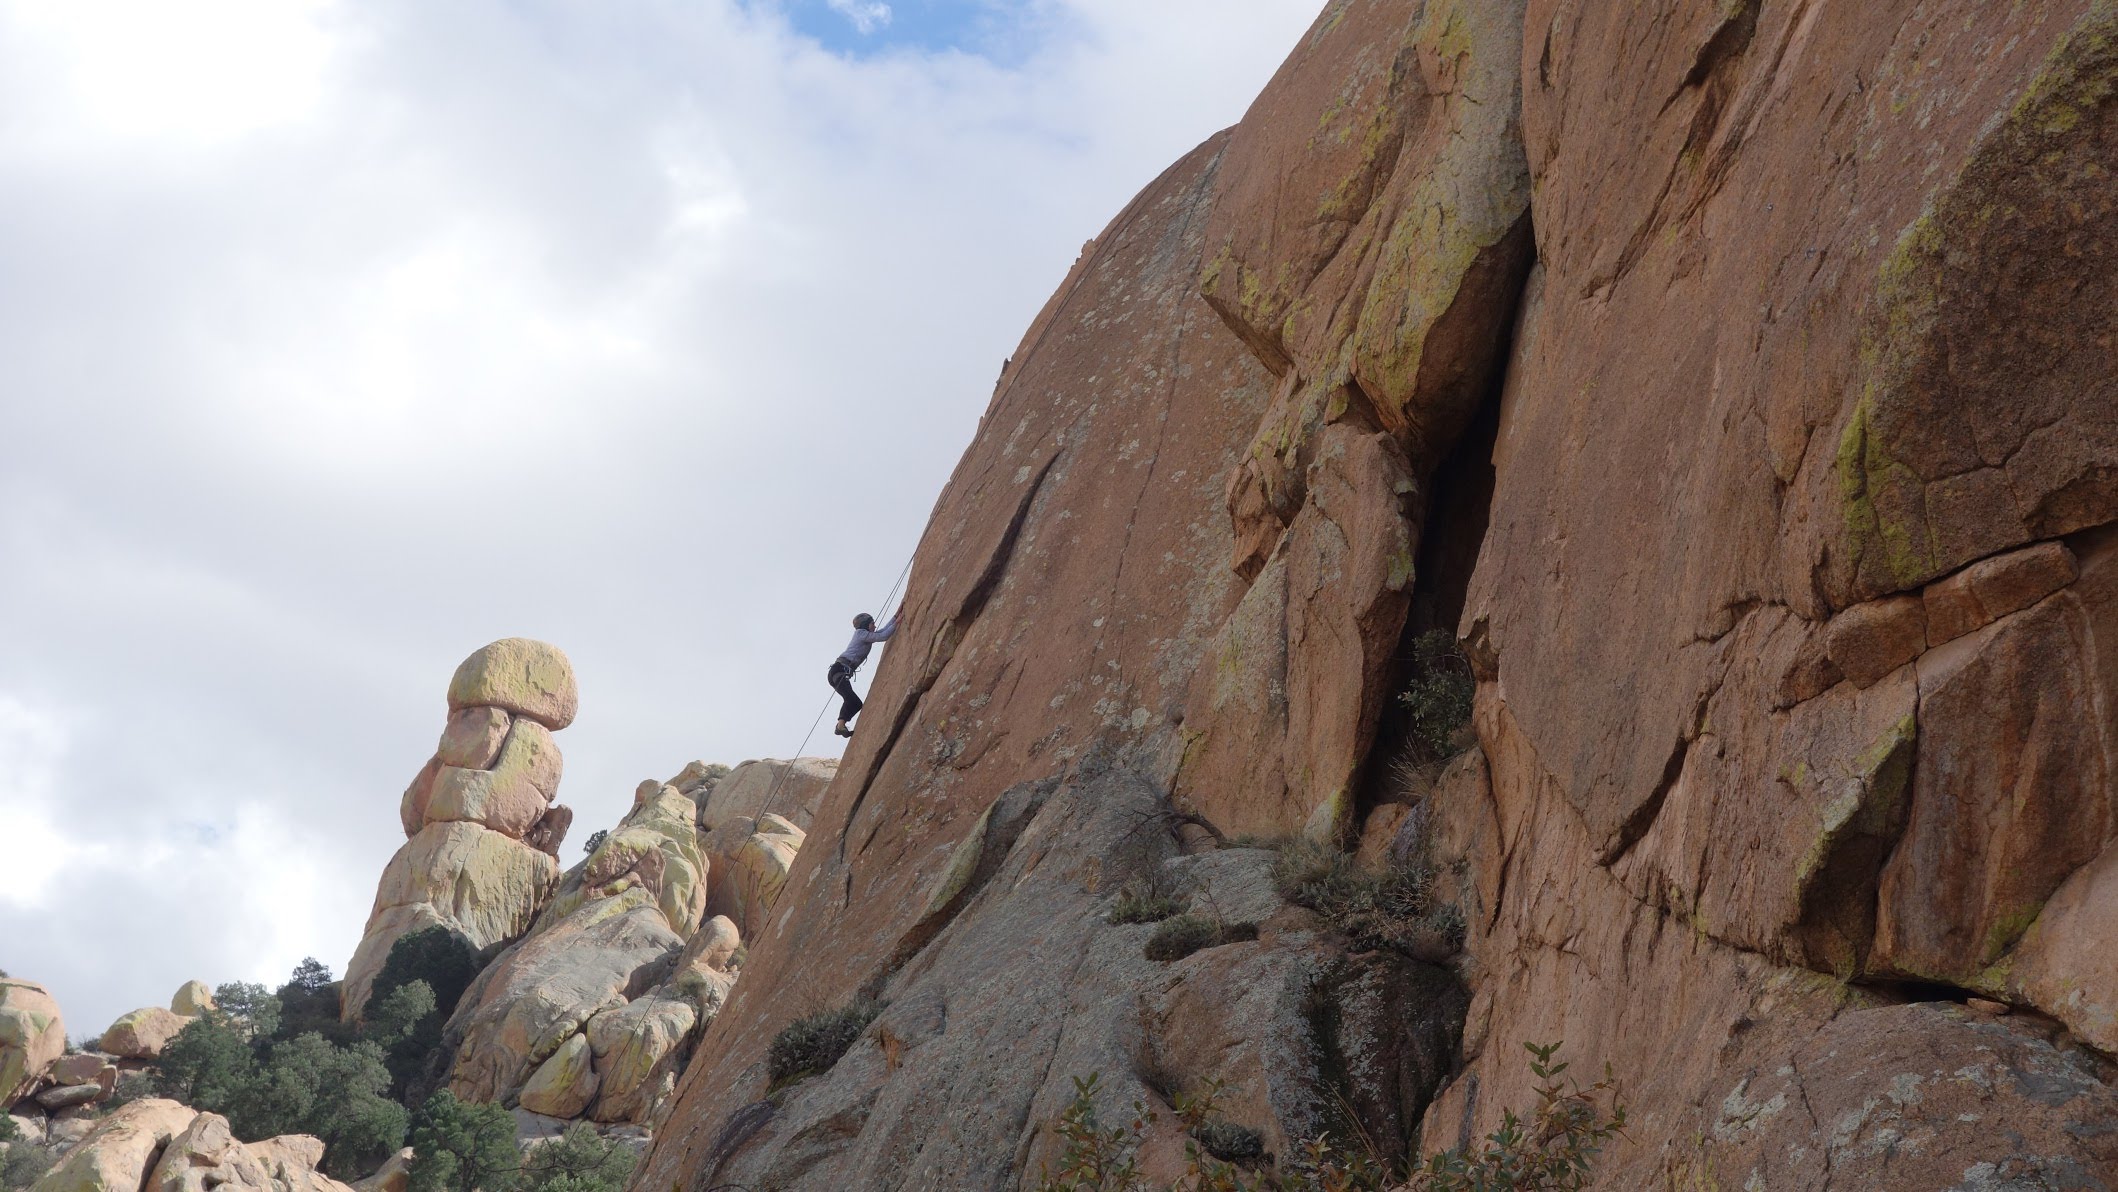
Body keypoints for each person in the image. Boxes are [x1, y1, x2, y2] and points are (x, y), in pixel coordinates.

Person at [829, 606, 900, 738]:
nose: (874, 625)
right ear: (865, 625)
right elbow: (883, 636)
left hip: (839, 672)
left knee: (856, 703)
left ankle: (840, 725)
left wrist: (896, 617)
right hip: (838, 670)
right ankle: (839, 726)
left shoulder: (865, 635)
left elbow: (882, 632)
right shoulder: (860, 633)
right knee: (850, 699)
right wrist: (898, 622)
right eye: (872, 623)